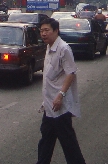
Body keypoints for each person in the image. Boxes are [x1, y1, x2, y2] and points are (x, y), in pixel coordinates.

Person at [37, 17, 86, 164]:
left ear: (56, 31)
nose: (43, 34)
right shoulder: (49, 47)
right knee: (46, 140)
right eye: (41, 31)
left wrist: (61, 95)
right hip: (50, 105)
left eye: (47, 30)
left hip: (60, 106)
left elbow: (71, 73)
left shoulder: (63, 49)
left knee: (68, 143)